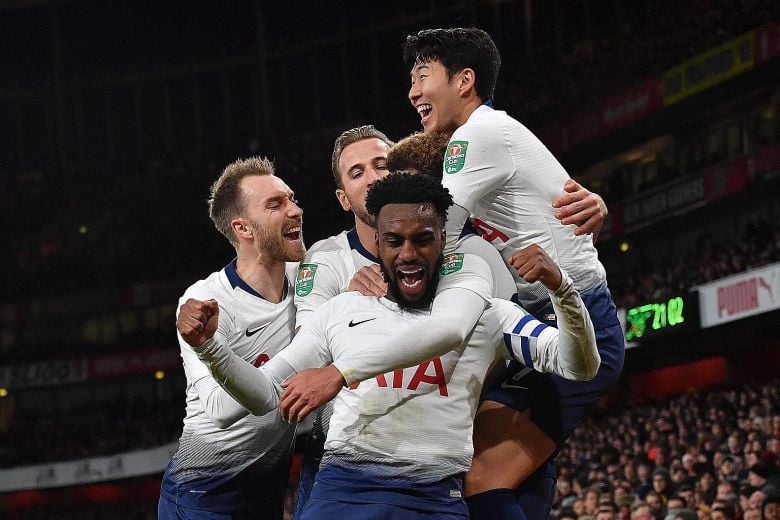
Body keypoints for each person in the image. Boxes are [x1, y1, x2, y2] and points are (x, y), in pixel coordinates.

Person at [182, 172, 599, 518]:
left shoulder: (486, 316)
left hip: (435, 501)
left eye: (423, 239)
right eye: (394, 241)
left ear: (443, 240)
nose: (408, 253)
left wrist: (562, 289)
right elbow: (259, 396)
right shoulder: (341, 312)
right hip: (344, 496)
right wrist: (209, 348)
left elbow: (578, 365)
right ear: (376, 245)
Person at [292, 127, 602, 515]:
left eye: (383, 165)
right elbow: (305, 357)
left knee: (491, 489)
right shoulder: (328, 260)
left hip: (443, 461)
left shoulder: (469, 252)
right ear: (342, 197)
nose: (374, 178)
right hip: (347, 464)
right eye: (357, 173)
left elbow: (482, 335)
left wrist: (585, 223)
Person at [404, 27, 625, 519]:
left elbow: (437, 238)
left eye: (423, 76)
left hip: (578, 322)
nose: (413, 91)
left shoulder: (478, 135)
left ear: (465, 80)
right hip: (534, 319)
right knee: (489, 474)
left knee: (482, 478)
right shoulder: (492, 135)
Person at [158, 157, 305, 520]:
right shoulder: (208, 302)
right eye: (276, 204)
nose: (296, 210)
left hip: (267, 491)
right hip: (202, 496)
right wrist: (208, 347)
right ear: (243, 227)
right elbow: (220, 410)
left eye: (291, 198)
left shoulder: (312, 277)